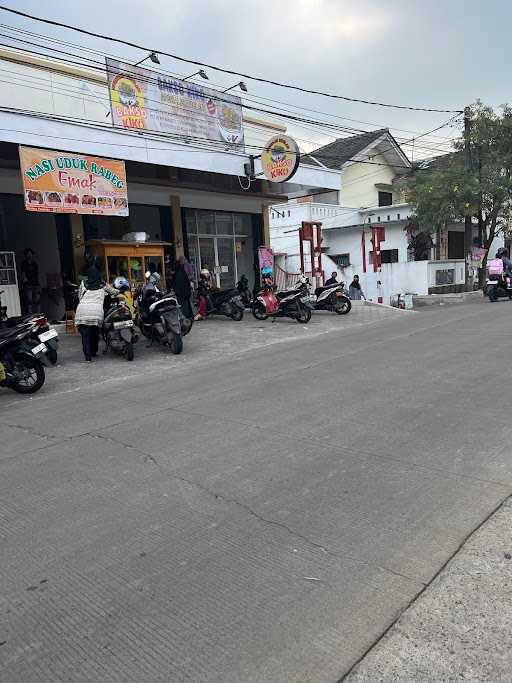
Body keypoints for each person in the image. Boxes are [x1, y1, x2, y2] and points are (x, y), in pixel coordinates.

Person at [75, 266, 117, 362]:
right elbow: (113, 291)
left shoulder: (83, 283)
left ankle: (88, 357)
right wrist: (120, 291)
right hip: (96, 312)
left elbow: (79, 296)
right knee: (94, 332)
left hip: (82, 310)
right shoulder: (102, 284)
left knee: (85, 335)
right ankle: (93, 351)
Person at [20, 247, 41, 314]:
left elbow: (37, 274)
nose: (29, 255)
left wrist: (39, 285)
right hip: (28, 285)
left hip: (36, 284)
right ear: (26, 255)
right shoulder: (24, 263)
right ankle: (30, 315)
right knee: (29, 301)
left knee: (37, 300)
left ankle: (38, 314)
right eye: (28, 254)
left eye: (30, 254)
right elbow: (23, 274)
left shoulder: (35, 263)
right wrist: (25, 280)